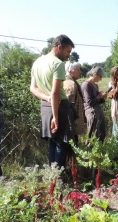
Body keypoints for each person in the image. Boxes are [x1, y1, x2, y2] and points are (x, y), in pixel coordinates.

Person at [30, 34, 75, 169]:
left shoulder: (37, 62)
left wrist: (46, 98)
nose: (68, 56)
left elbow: (33, 88)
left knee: (52, 142)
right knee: (61, 143)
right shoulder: (58, 64)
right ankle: (59, 178)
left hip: (45, 106)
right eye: (67, 51)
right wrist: (55, 117)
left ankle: (52, 175)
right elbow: (55, 93)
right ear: (59, 47)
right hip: (59, 107)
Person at [81, 66, 107, 142]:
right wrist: (99, 96)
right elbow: (89, 102)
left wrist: (103, 98)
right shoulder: (86, 85)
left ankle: (100, 150)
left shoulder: (95, 85)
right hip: (91, 112)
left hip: (98, 111)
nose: (101, 79)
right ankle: (89, 152)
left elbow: (98, 101)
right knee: (92, 134)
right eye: (100, 76)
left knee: (101, 132)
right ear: (95, 74)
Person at [64, 61, 86, 144]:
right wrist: (72, 124)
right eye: (78, 70)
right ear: (70, 71)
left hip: (73, 121)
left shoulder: (72, 82)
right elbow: (69, 106)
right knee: (72, 145)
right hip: (72, 122)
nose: (80, 72)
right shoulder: (70, 84)